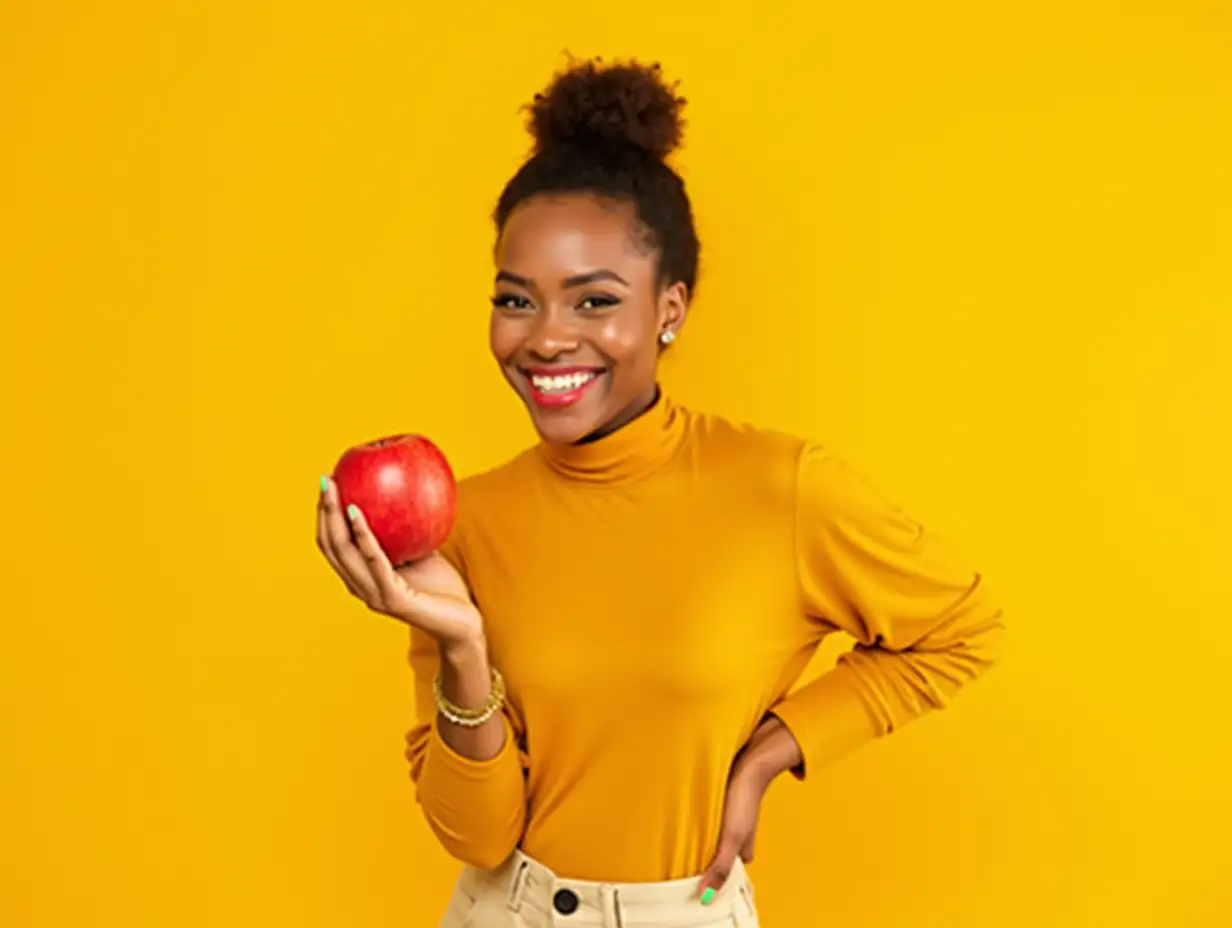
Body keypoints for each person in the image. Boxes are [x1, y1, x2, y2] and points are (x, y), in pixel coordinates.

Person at [315, 57, 1005, 928]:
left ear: (668, 309)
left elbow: (962, 629)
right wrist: (459, 643)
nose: (546, 340)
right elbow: (478, 837)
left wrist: (770, 755)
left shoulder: (778, 489)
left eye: (594, 301)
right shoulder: (460, 523)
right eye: (515, 300)